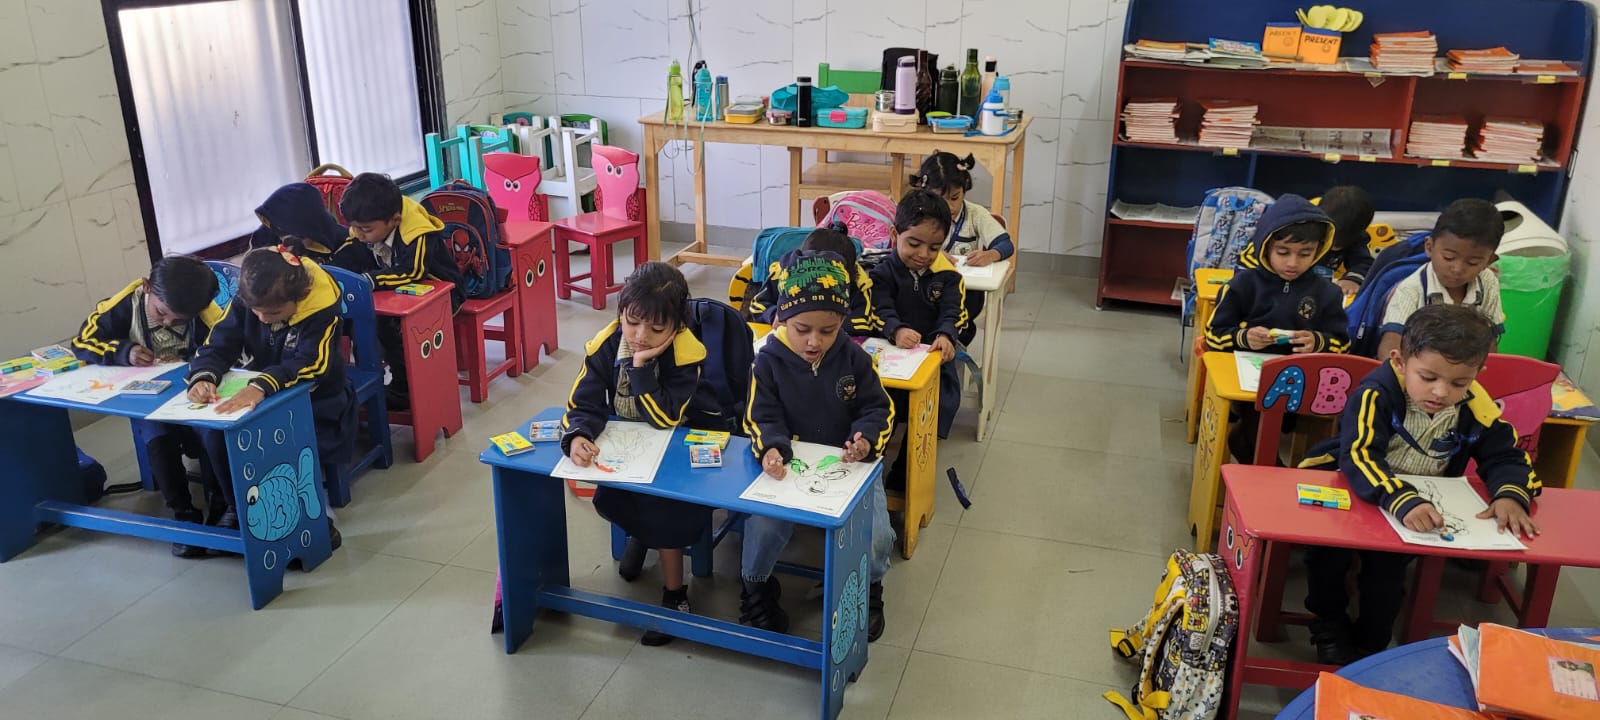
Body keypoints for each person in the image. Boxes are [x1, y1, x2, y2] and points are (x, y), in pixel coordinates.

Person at [1300, 304, 1539, 664]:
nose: (1441, 392)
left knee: (1386, 574)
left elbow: (1506, 455)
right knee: (1327, 555)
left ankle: (1370, 643)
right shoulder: (1375, 394)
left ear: (1478, 373)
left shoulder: (1476, 405)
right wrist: (1401, 498)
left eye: (1459, 383)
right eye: (1428, 377)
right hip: (1352, 487)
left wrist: (1510, 494)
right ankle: (1328, 622)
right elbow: (1360, 456)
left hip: (1410, 509)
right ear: (1399, 361)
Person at [743, 250, 895, 639]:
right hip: (788, 463)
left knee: (877, 533)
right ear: (782, 318)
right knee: (763, 524)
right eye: (802, 329)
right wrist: (771, 448)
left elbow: (878, 408)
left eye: (827, 331)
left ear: (842, 321)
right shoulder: (767, 361)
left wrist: (865, 439)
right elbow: (760, 417)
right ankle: (756, 586)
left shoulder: (856, 359)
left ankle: (870, 587)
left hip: (850, 464)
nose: (814, 341)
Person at [561, 262, 713, 647]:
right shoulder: (607, 344)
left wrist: (641, 367)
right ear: (621, 314)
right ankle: (642, 537)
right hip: (630, 451)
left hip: (677, 448)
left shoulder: (686, 354)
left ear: (677, 326)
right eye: (632, 323)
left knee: (664, 511)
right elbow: (584, 400)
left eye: (656, 329)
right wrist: (578, 434)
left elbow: (665, 418)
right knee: (612, 499)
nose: (641, 336)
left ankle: (676, 594)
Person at [186, 247, 351, 549]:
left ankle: (306, 516)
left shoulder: (321, 309)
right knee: (215, 432)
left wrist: (262, 385)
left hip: (317, 399)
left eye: (273, 313)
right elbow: (219, 343)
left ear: (300, 297)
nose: (262, 319)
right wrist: (204, 376)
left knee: (277, 440)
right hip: (263, 391)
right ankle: (236, 506)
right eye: (256, 311)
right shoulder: (249, 301)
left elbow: (312, 365)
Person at [72, 256, 225, 557]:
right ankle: (183, 512)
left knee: (211, 434)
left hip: (197, 394)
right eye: (162, 313)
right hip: (148, 400)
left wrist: (195, 361)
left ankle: (220, 503)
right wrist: (124, 352)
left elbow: (226, 346)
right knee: (158, 438)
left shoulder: (206, 313)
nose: (168, 323)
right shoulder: (124, 305)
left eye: (179, 320)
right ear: (146, 287)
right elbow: (82, 342)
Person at [1205, 193, 1350, 464]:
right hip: (1248, 382)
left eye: (1305, 254)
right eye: (1283, 252)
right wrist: (1244, 338)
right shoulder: (1243, 284)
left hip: (1301, 380)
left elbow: (1342, 342)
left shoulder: (1327, 292)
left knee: (1284, 424)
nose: (1293, 263)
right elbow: (1213, 334)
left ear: (1318, 250)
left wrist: (1317, 342)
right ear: (1265, 246)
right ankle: (1272, 470)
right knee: (1258, 418)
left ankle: (1269, 461)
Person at [332, 172, 463, 410]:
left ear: (394, 220)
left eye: (365, 229)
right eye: (354, 227)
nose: (359, 234)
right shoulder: (368, 225)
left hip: (442, 294)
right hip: (397, 295)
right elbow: (349, 252)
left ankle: (404, 388)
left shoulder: (418, 233)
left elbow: (413, 271)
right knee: (359, 321)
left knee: (391, 329)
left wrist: (371, 280)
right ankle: (371, 378)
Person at [869, 189, 967, 443]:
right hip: (891, 356)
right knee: (878, 406)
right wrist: (896, 329)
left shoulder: (949, 277)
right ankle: (875, 449)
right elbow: (879, 309)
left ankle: (909, 461)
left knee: (930, 410)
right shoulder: (881, 274)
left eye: (934, 248)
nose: (923, 254)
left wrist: (946, 335)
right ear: (894, 235)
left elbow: (954, 312)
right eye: (914, 244)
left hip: (932, 358)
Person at [1375, 198, 1506, 359]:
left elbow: (1490, 341)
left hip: (1465, 368)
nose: (1457, 269)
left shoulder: (1487, 281)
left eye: (1472, 262)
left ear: (1489, 261)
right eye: (1448, 257)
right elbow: (1390, 347)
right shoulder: (1411, 289)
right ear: (1429, 247)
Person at [909, 152, 1013, 345]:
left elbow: (1006, 244)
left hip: (964, 292)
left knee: (958, 318)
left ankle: (950, 341)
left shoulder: (975, 214)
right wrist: (934, 255)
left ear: (964, 190)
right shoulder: (918, 214)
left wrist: (990, 254)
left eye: (955, 197)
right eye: (940, 199)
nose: (948, 206)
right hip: (924, 287)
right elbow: (900, 247)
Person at [747, 224, 881, 337]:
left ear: (847, 273)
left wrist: (823, 325)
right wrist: (775, 315)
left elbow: (864, 323)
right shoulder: (785, 273)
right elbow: (757, 304)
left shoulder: (859, 282)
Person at [248, 183, 349, 263]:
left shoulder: (346, 245)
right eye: (282, 235)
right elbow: (252, 264)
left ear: (312, 232)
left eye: (295, 240)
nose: (288, 248)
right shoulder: (270, 231)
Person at [1313, 185, 1376, 297]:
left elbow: (1363, 262)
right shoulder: (1302, 226)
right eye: (1327, 238)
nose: (1332, 246)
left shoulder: (1357, 238)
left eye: (1339, 243)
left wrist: (1352, 279)